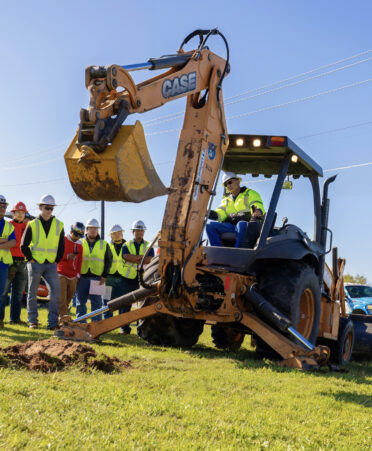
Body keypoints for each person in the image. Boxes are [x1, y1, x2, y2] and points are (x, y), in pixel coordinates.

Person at [21, 194, 64, 329]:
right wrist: (31, 259)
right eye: (47, 208)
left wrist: (56, 260)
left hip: (51, 264)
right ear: (40, 208)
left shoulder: (59, 225)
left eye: (51, 208)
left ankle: (52, 323)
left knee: (56, 292)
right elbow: (23, 245)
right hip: (35, 263)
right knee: (32, 292)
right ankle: (32, 321)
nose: (49, 211)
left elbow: (61, 246)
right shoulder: (32, 224)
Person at [206, 172, 265, 248]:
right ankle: (217, 251)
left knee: (241, 224)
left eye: (230, 182)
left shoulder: (250, 193)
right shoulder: (226, 200)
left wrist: (257, 211)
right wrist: (208, 213)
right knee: (210, 226)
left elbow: (256, 204)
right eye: (226, 184)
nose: (228, 185)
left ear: (238, 181)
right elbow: (220, 213)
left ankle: (238, 251)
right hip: (231, 226)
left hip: (248, 225)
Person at [119, 220, 154, 334]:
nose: (139, 232)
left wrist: (135, 258)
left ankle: (141, 330)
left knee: (142, 306)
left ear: (144, 232)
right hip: (127, 279)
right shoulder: (126, 244)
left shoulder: (149, 245)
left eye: (141, 230)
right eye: (137, 231)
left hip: (143, 280)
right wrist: (142, 258)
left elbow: (151, 259)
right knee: (125, 304)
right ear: (133, 232)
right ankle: (124, 328)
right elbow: (126, 257)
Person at [76, 218, 112, 322]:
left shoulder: (104, 244)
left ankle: (96, 325)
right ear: (86, 230)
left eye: (95, 228)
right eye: (91, 228)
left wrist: (104, 276)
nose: (93, 230)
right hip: (82, 278)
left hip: (98, 278)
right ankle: (81, 324)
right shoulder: (80, 242)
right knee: (80, 302)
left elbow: (108, 260)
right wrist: (76, 275)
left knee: (96, 304)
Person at [0, 202, 28, 325]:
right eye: (18, 212)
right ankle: (0, 318)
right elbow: (15, 243)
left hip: (23, 262)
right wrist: (11, 242)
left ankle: (15, 319)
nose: (21, 215)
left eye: (23, 213)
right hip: (10, 261)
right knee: (3, 292)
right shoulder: (8, 225)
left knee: (18, 293)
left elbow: (26, 244)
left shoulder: (28, 227)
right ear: (13, 213)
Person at [57, 222, 84, 319]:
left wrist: (78, 275)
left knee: (68, 299)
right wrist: (67, 256)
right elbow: (57, 255)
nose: (77, 237)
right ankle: (63, 320)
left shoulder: (80, 244)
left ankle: (62, 317)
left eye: (79, 236)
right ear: (70, 231)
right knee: (62, 299)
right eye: (76, 235)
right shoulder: (62, 240)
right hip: (61, 273)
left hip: (73, 275)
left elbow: (80, 260)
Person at [103, 224, 126, 320]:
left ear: (122, 234)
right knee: (107, 301)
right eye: (115, 233)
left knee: (123, 302)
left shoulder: (127, 246)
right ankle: (107, 322)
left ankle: (122, 325)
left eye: (119, 233)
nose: (117, 235)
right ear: (111, 235)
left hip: (123, 278)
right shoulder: (107, 246)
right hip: (109, 278)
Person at [0, 195, 16, 328]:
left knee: (1, 293)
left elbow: (13, 242)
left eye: (4, 206)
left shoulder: (8, 225)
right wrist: (3, 240)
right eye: (0, 206)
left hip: (3, 265)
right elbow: (7, 241)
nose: (2, 208)